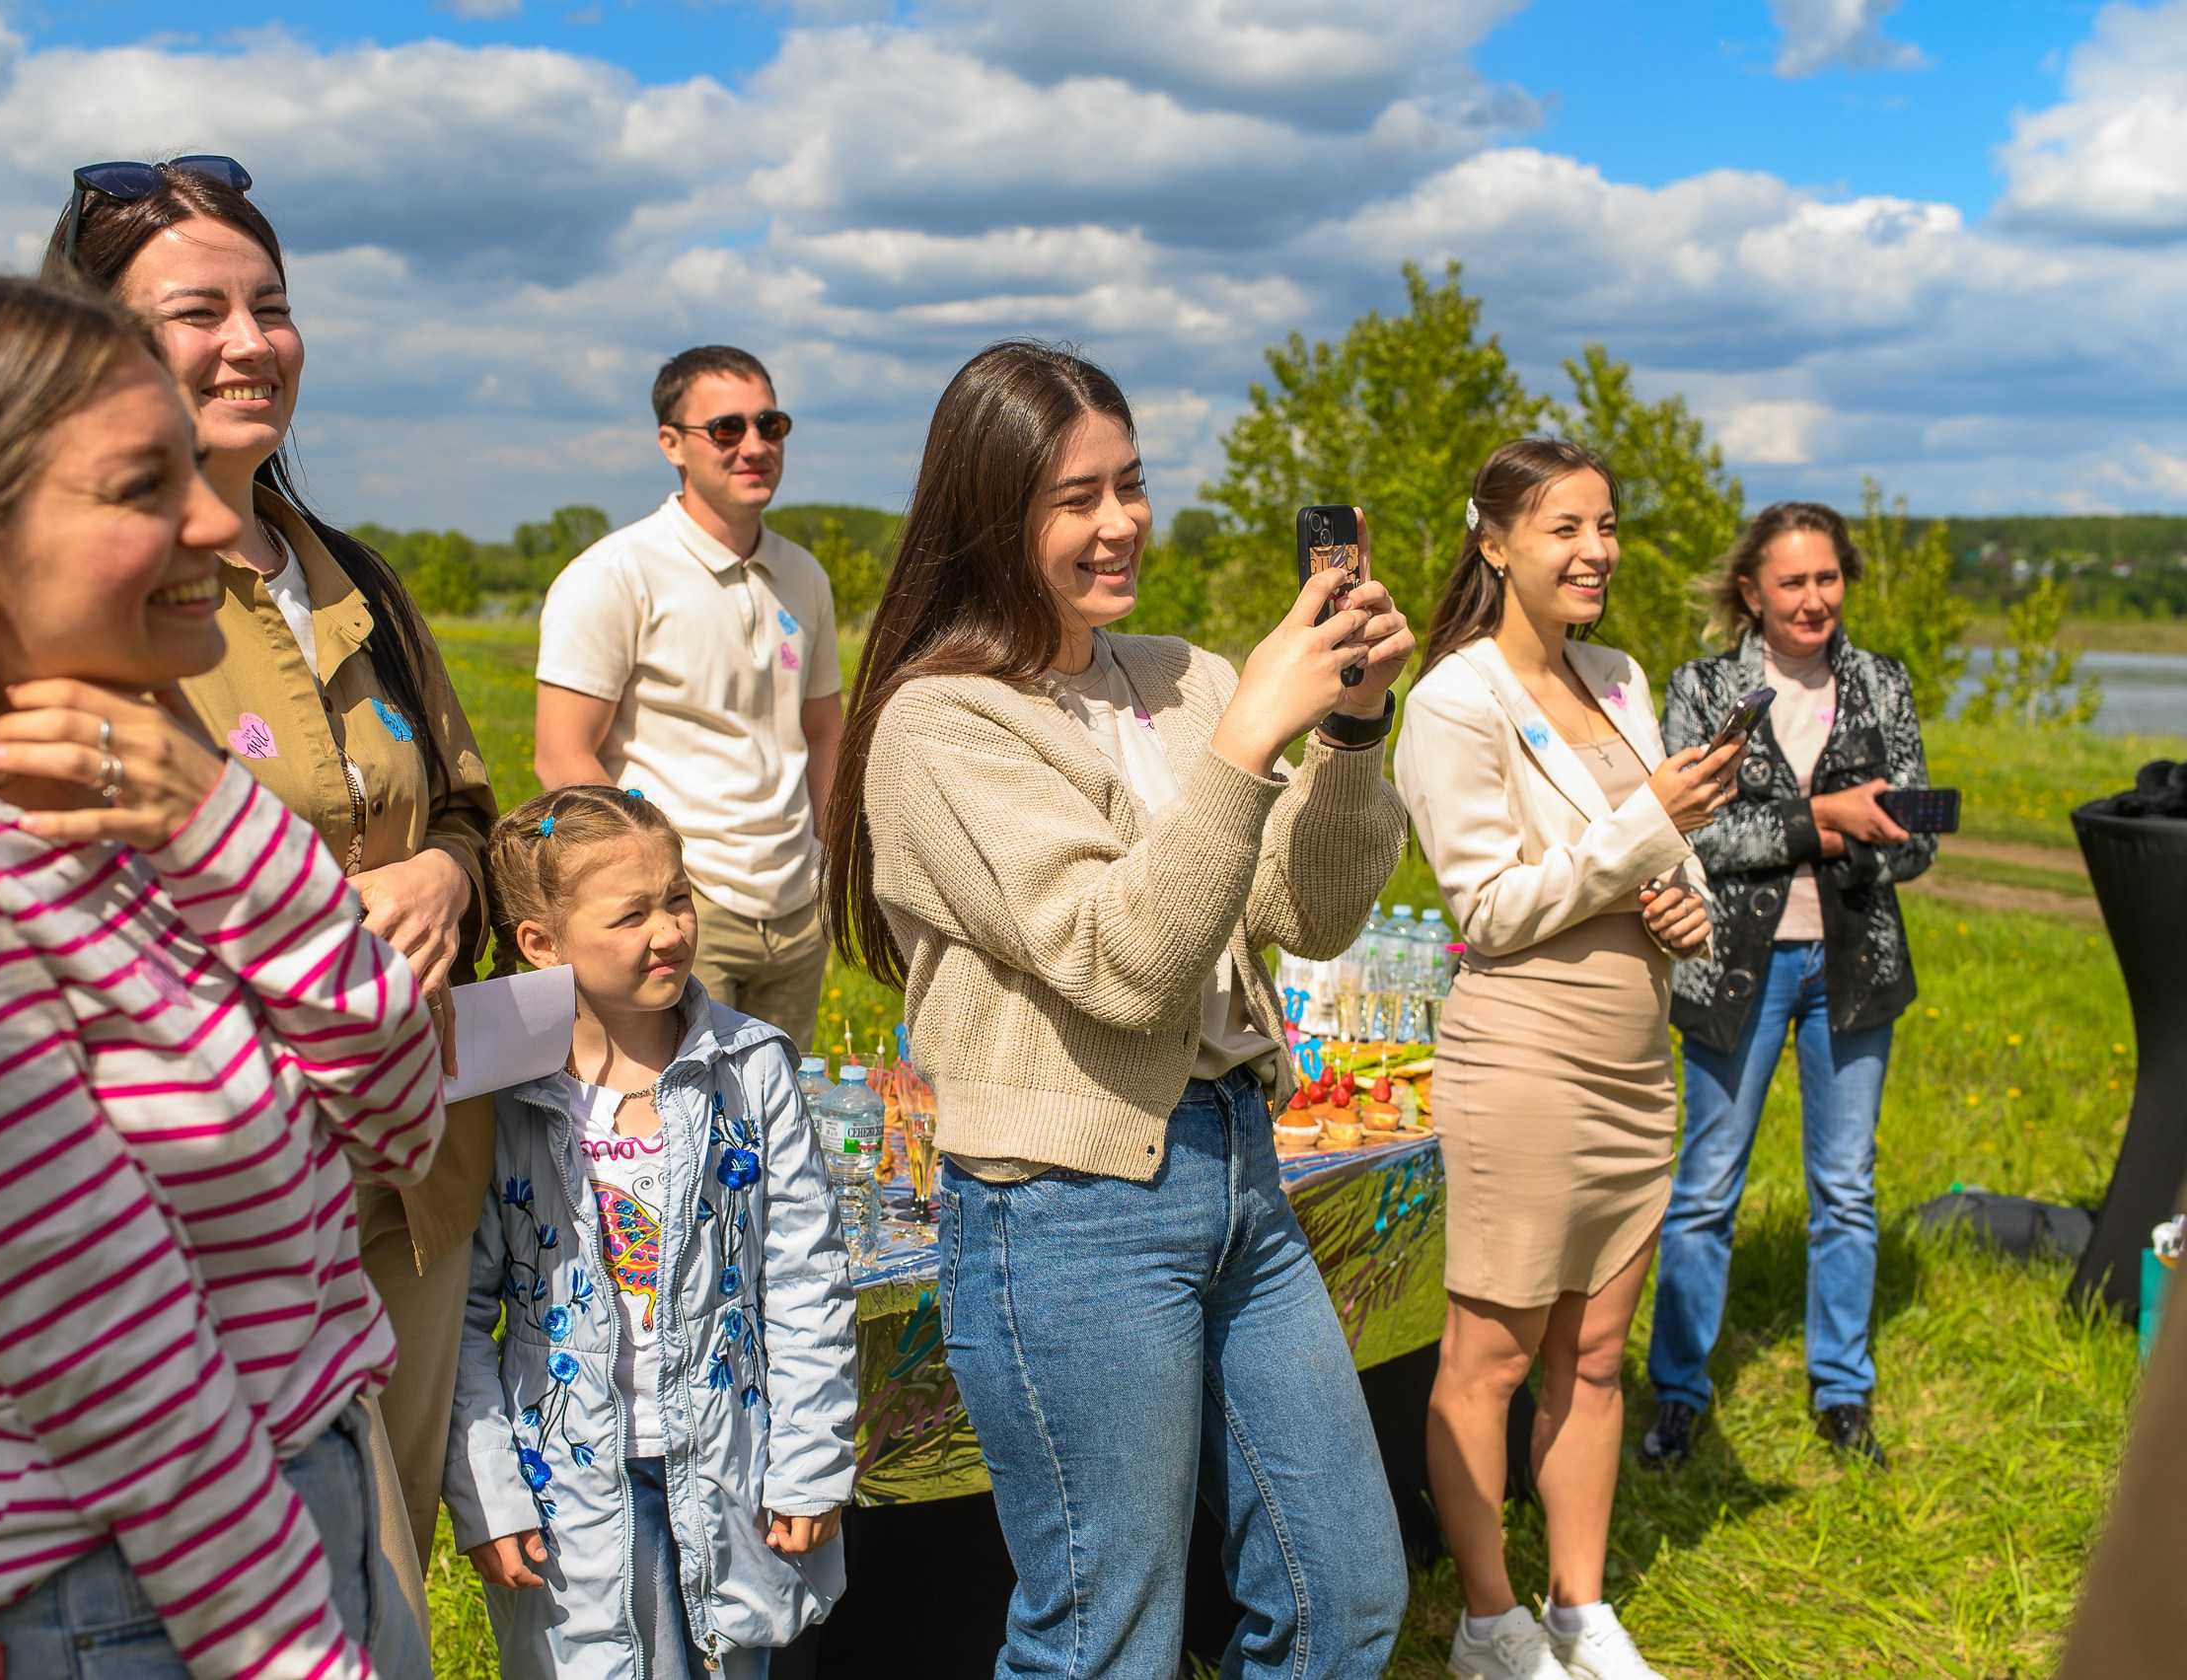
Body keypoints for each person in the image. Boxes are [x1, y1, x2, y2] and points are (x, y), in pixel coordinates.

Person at [0, 274, 439, 1679]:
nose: (214, 523)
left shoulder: (134, 826)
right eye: (142, 487)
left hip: (290, 1510)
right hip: (134, 1601)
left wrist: (224, 821)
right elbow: (126, 1378)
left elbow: (399, 1117)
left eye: (194, 469)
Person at [826, 339, 1413, 1680]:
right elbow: (1125, 957)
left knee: (1344, 1593)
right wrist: (1248, 739)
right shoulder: (941, 725)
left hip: (1237, 1170)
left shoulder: (1183, 675)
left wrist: (1350, 730)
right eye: (1075, 496)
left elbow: (1310, 911)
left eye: (1131, 483)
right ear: (992, 515)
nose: (1120, 521)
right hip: (1065, 1209)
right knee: (1109, 1637)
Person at [49, 156, 502, 1581]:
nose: (251, 342)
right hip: (217, 1201)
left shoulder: (356, 576)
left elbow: (474, 814)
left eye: (274, 305)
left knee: (387, 1565)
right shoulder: (84, 593)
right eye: (200, 312)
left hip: (417, 1177)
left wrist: (447, 876)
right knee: (253, 1592)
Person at [1396, 439, 1738, 1680]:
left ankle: (1580, 1609)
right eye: (1565, 528)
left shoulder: (1618, 674)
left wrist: (1689, 898)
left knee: (1594, 1357)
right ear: (1493, 543)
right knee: (1488, 1359)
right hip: (1526, 1064)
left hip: (1635, 1065)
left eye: (1606, 525)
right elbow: (1487, 906)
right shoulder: (1453, 699)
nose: (1596, 550)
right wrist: (1652, 828)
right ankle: (1488, 1623)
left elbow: (1661, 854)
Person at [447, 785, 857, 1679]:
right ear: (542, 944)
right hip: (569, 1494)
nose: (669, 930)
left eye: (677, 897)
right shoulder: (501, 1094)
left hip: (732, 1467)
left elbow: (806, 1279)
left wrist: (813, 1460)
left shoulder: (750, 1068)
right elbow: (459, 1318)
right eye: (630, 914)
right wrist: (489, 1491)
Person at [1640, 501, 1936, 1472]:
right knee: (1705, 1188)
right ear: (1751, 591)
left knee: (1846, 1188)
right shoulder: (1701, 689)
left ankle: (1842, 1389)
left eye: (1827, 577)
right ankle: (1677, 1390)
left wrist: (1870, 833)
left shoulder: (1881, 682)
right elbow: (1694, 834)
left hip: (1854, 966)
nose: (1813, 599)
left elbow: (1920, 840)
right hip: (1737, 969)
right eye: (1792, 581)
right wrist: (1826, 817)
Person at [534, 346, 840, 1054]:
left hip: (798, 904)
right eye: (727, 429)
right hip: (684, 907)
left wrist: (832, 861)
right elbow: (562, 753)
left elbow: (825, 729)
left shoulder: (804, 576)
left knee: (778, 1103)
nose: (755, 446)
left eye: (771, 424)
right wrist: (656, 896)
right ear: (671, 443)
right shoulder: (614, 574)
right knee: (681, 1104)